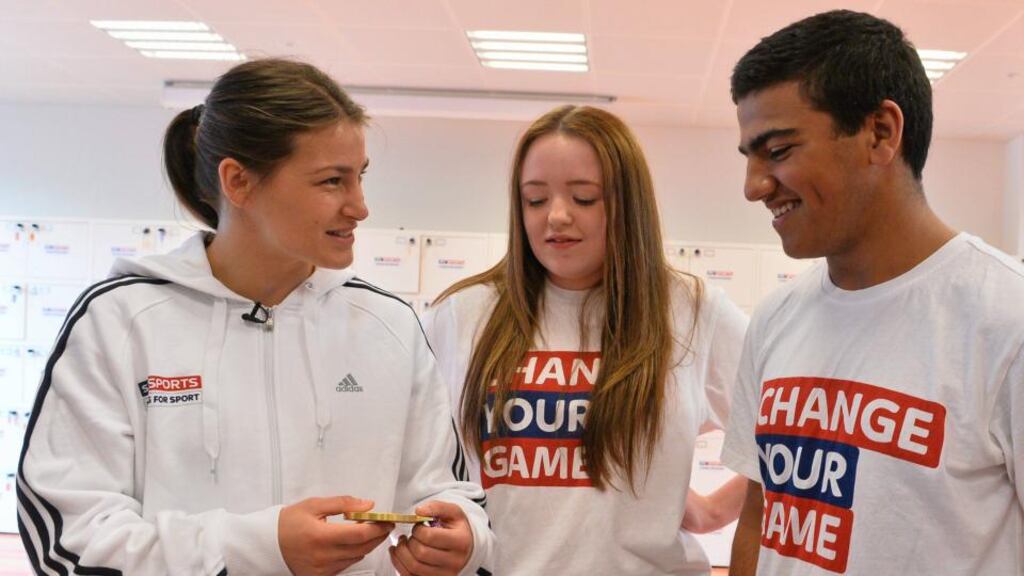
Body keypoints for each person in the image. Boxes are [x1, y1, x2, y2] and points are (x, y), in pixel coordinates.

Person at [17, 58, 492, 576]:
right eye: (332, 181)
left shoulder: (389, 326)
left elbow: (448, 492)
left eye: (360, 178)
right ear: (239, 182)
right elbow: (69, 540)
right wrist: (258, 547)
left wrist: (466, 541)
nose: (360, 206)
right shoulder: (119, 321)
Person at [721, 10, 1024, 575]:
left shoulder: (1006, 321)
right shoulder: (775, 319)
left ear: (880, 133)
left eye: (778, 151)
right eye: (750, 158)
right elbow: (761, 517)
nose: (754, 186)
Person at [422, 104, 748, 575]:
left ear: (627, 202)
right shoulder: (465, 313)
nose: (556, 216)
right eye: (535, 200)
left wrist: (714, 510)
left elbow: (791, 437)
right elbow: (416, 458)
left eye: (584, 198)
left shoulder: (692, 310)